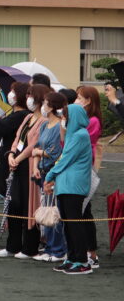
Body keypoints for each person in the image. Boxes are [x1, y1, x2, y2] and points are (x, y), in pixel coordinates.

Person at [0, 83, 50, 259]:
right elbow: (17, 138)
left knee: (30, 206)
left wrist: (18, 158)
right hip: (17, 166)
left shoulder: (43, 121)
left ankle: (29, 247)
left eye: (31, 95)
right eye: (27, 95)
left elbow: (33, 144)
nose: (28, 98)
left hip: (29, 167)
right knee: (14, 204)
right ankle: (12, 245)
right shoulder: (28, 117)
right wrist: (11, 155)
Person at [44, 104, 95, 275]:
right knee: (68, 224)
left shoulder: (80, 135)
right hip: (66, 185)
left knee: (75, 224)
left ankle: (82, 261)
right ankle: (72, 258)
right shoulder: (73, 135)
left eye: (65, 116)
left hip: (74, 186)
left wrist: (50, 175)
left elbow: (66, 158)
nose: (63, 119)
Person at [31, 91, 67, 263]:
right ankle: (49, 247)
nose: (43, 106)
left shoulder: (60, 126)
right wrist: (35, 165)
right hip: (43, 171)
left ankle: (58, 249)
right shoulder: (45, 125)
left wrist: (39, 152)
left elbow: (55, 152)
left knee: (54, 211)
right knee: (46, 209)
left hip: (54, 172)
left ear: (52, 106)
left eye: (46, 103)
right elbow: (36, 147)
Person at [75, 85, 102, 269]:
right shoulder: (84, 119)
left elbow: (81, 140)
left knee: (84, 210)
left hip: (84, 167)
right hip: (77, 166)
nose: (76, 100)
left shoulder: (92, 121)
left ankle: (91, 252)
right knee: (80, 210)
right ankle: (83, 249)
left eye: (79, 97)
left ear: (88, 100)